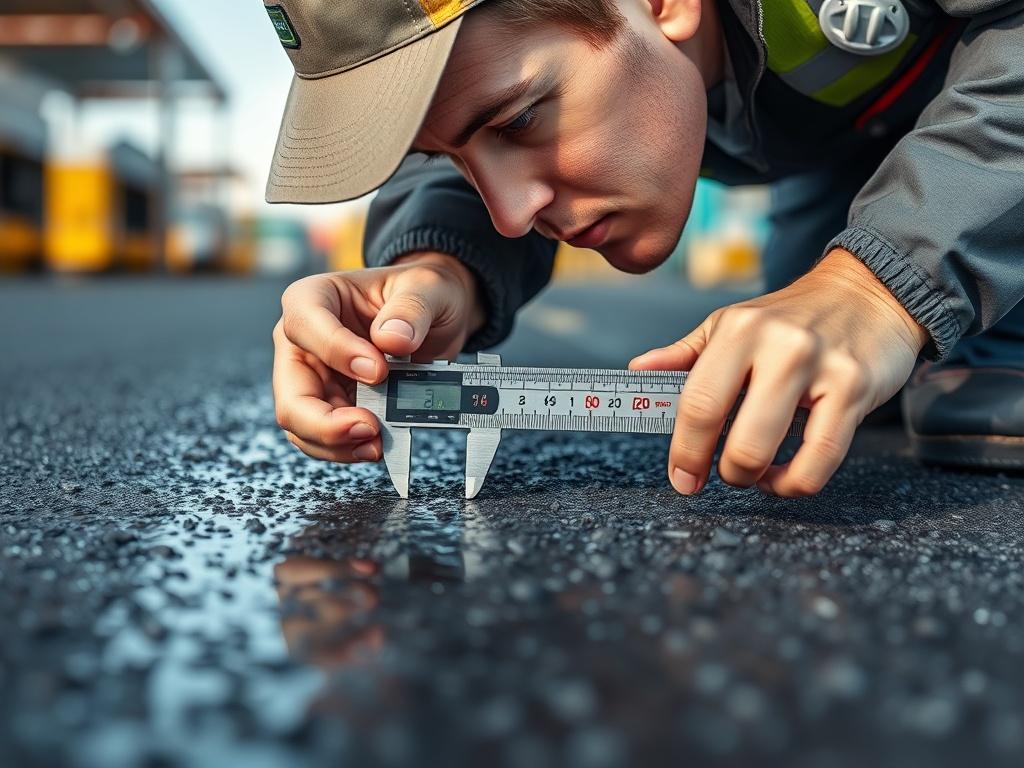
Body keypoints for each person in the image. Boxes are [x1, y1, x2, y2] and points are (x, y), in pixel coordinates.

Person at [266, 0, 1024, 497]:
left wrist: (880, 285)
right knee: (807, 348)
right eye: (458, 156)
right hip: (841, 144)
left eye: (522, 121)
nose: (509, 216)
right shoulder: (564, 52)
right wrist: (440, 268)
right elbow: (474, 119)